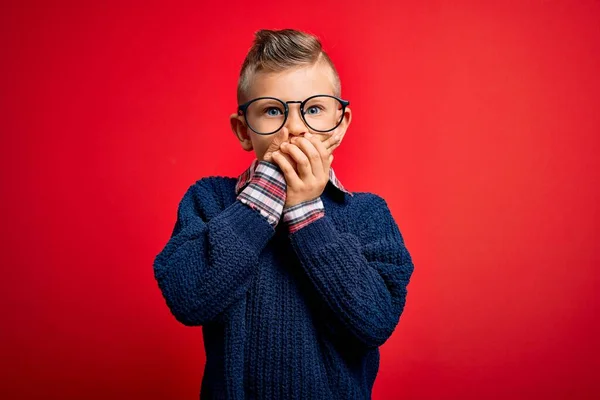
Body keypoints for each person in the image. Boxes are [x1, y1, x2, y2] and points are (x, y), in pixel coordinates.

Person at [153, 28, 415, 399]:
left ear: (340, 125)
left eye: (313, 109)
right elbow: (189, 298)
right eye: (273, 110)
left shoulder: (368, 214)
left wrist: (305, 211)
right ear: (244, 131)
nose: (293, 128)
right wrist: (268, 194)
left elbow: (374, 322)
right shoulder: (208, 200)